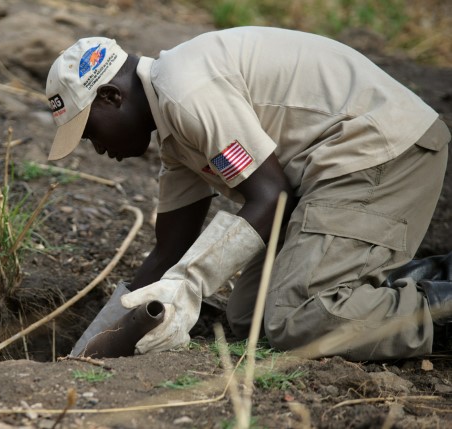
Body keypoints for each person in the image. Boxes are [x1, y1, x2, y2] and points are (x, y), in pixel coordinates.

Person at [45, 27, 451, 360]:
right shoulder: (174, 132)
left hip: (382, 150)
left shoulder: (183, 91)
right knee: (250, 318)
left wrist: (189, 283)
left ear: (112, 96)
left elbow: (271, 197)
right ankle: (403, 281)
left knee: (295, 320)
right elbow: (169, 250)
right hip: (331, 173)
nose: (98, 148)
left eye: (89, 132)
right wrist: (97, 341)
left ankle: (442, 309)